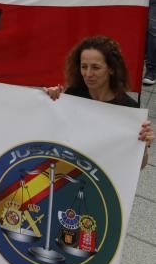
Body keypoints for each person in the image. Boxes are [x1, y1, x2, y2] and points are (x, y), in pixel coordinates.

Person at [44, 36, 153, 168]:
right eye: (84, 67)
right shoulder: (73, 95)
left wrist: (143, 146)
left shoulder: (129, 109)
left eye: (95, 67)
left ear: (111, 69)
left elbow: (138, 167)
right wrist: (50, 101)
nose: (88, 74)